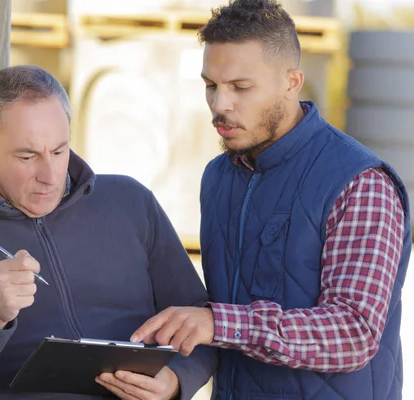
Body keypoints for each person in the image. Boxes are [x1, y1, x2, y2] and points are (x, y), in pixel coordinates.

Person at [130, 1, 411, 399]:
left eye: (241, 87)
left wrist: (220, 324)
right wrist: (175, 377)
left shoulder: (360, 183)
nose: (219, 104)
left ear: (291, 82)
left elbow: (354, 332)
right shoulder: (219, 176)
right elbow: (214, 317)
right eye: (211, 85)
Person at [0, 65, 216, 400]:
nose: (49, 175)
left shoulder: (130, 202)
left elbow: (202, 322)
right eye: (27, 155)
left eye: (59, 150)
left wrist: (176, 382)